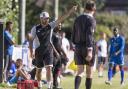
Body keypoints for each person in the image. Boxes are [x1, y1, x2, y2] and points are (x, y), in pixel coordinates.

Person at [29, 6, 77, 89]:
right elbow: (30, 41)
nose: (47, 20)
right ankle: (39, 83)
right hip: (38, 51)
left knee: (49, 68)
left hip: (48, 51)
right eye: (45, 18)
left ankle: (49, 86)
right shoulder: (35, 28)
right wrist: (31, 52)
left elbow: (61, 19)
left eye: (48, 18)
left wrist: (71, 11)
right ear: (41, 19)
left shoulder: (50, 26)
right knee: (39, 70)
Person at [72, 1, 96, 89]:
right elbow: (89, 35)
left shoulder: (77, 18)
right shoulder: (91, 19)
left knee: (80, 72)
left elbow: (73, 33)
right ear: (94, 9)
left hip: (78, 47)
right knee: (89, 72)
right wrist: (90, 50)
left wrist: (74, 46)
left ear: (85, 8)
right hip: (87, 47)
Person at [52, 23, 68, 89]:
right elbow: (51, 44)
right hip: (53, 55)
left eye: (60, 25)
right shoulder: (52, 34)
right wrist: (55, 52)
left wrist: (64, 54)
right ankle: (50, 85)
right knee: (52, 70)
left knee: (57, 70)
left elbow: (60, 46)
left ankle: (55, 85)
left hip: (59, 55)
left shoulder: (59, 35)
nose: (60, 26)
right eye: (58, 25)